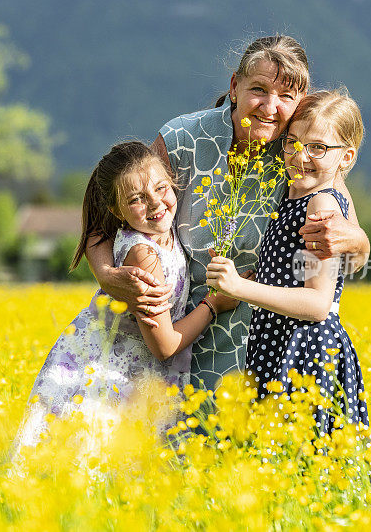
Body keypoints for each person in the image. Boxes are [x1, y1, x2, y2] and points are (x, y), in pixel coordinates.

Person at [86, 35, 371, 393]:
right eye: (259, 90)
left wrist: (356, 241)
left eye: (286, 96)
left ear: (301, 101)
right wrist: (105, 273)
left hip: (268, 347)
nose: (270, 107)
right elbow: (108, 216)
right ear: (234, 86)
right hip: (176, 335)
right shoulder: (181, 139)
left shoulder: (300, 157)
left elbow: (353, 252)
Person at [16, 142, 238, 447]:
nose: (156, 203)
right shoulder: (144, 257)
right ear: (116, 210)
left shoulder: (162, 231)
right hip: (113, 373)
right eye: (137, 199)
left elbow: (101, 231)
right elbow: (164, 345)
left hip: (127, 369)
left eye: (162, 188)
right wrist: (214, 304)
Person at [205, 88, 369, 433]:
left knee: (298, 460)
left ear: (346, 157)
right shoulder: (303, 194)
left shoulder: (320, 207)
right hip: (281, 340)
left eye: (318, 148)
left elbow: (318, 303)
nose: (300, 156)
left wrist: (239, 286)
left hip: (304, 346)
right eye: (292, 141)